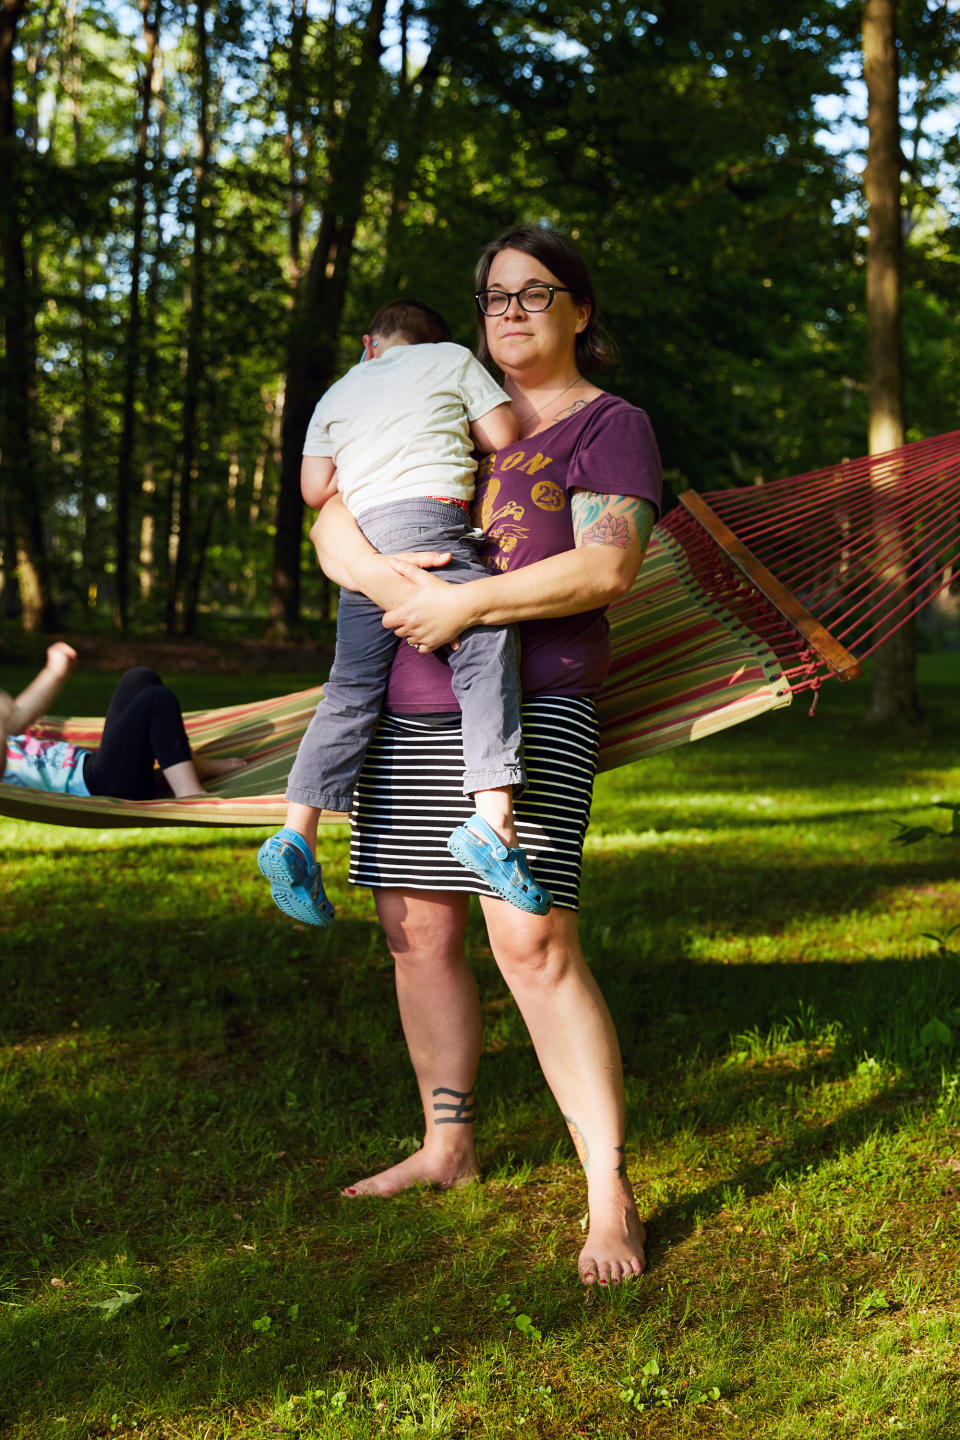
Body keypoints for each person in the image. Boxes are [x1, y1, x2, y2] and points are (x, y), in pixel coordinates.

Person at [309, 227, 662, 1286]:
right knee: (416, 934)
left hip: (536, 704)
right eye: (495, 295)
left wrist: (457, 599)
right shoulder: (431, 405)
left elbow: (605, 570)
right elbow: (331, 523)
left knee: (532, 941)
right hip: (404, 706)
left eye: (536, 293)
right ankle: (446, 1146)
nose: (510, 311)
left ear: (579, 311)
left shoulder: (610, 424)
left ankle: (609, 1188)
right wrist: (384, 581)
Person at [257, 298, 552, 928]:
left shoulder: (339, 391)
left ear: (369, 344)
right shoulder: (450, 359)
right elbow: (502, 435)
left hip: (365, 542)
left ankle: (296, 833)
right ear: (435, 340)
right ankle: (493, 823)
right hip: (435, 526)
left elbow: (315, 490)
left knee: (349, 692)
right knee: (487, 640)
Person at [1, 644, 242, 798]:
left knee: (138, 678)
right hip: (102, 788)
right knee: (156, 701)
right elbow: (8, 720)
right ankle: (189, 793)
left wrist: (55, 670)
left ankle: (191, 766)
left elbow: (18, 713)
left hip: (93, 766)